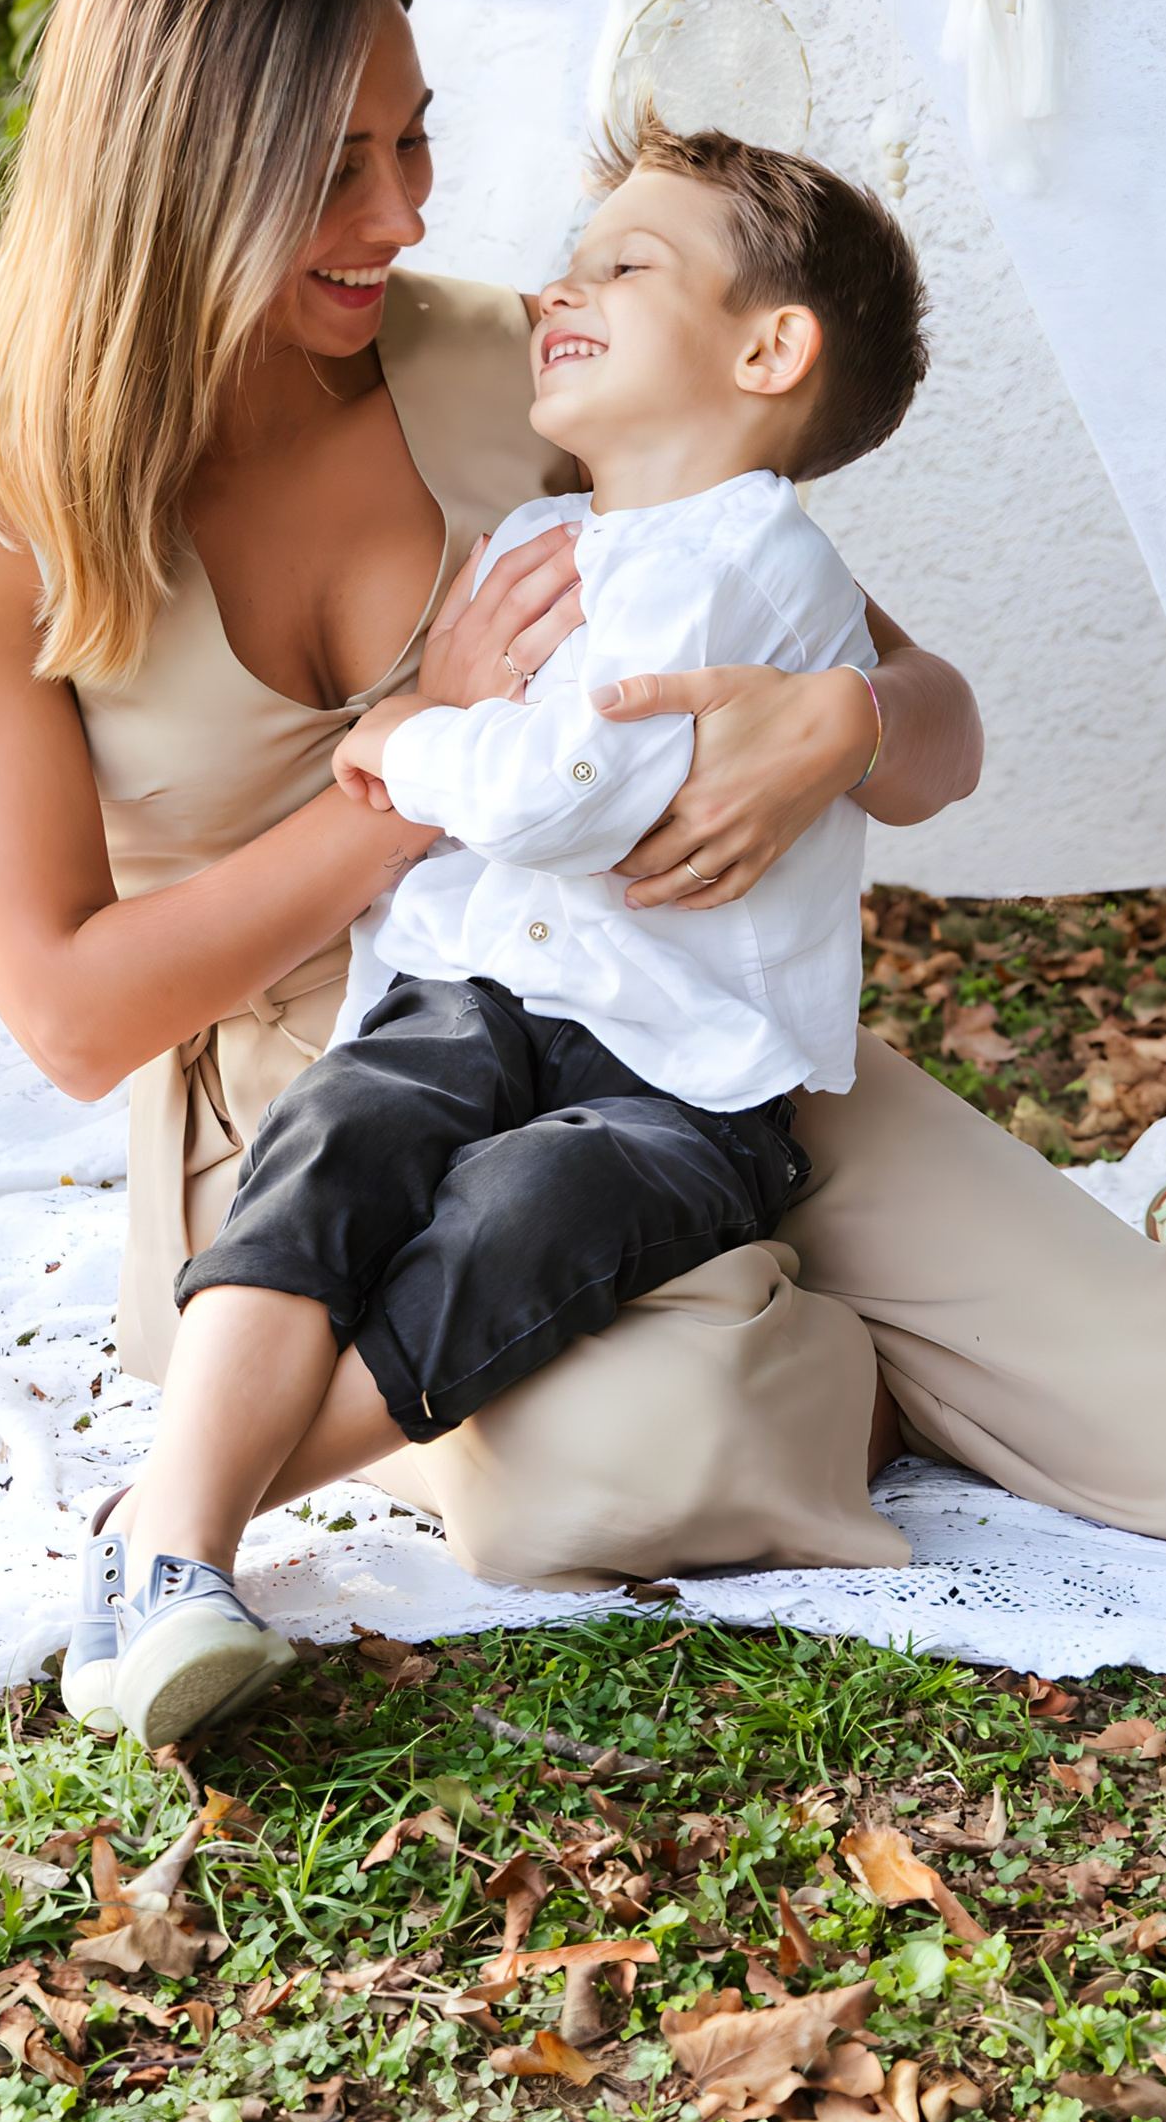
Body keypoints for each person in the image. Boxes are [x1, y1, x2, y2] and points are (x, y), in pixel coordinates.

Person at [0, 0, 1166, 1691]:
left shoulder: (519, 366)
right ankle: (819, 1341)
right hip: (329, 1093)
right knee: (629, 1461)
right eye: (338, 166)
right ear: (176, 164)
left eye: (416, 144)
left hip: (676, 1015)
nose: (404, 214)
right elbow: (73, 1014)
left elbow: (934, 706)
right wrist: (407, 786)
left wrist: (847, 726)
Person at [78, 114, 930, 1747]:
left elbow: (572, 791)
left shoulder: (759, 562)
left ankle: (183, 1509)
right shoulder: (547, 540)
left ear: (769, 347)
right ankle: (177, 1556)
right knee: (338, 1133)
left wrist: (402, 737)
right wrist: (426, 717)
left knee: (520, 1207)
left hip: (680, 1076)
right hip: (473, 999)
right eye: (569, 255)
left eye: (625, 262)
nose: (560, 283)